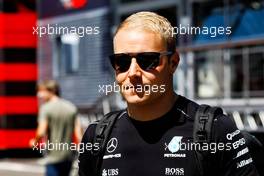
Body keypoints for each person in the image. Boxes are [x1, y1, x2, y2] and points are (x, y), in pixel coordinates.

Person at [78, 11, 259, 176]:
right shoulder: (97, 136)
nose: (132, 72)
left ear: (173, 63)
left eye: (147, 60)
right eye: (122, 61)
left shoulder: (215, 130)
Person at [30, 80, 82, 176]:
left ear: (51, 91)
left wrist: (35, 142)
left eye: (42, 91)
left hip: (53, 157)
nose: (39, 95)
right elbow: (79, 135)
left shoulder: (46, 108)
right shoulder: (71, 107)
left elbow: (41, 132)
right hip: (68, 156)